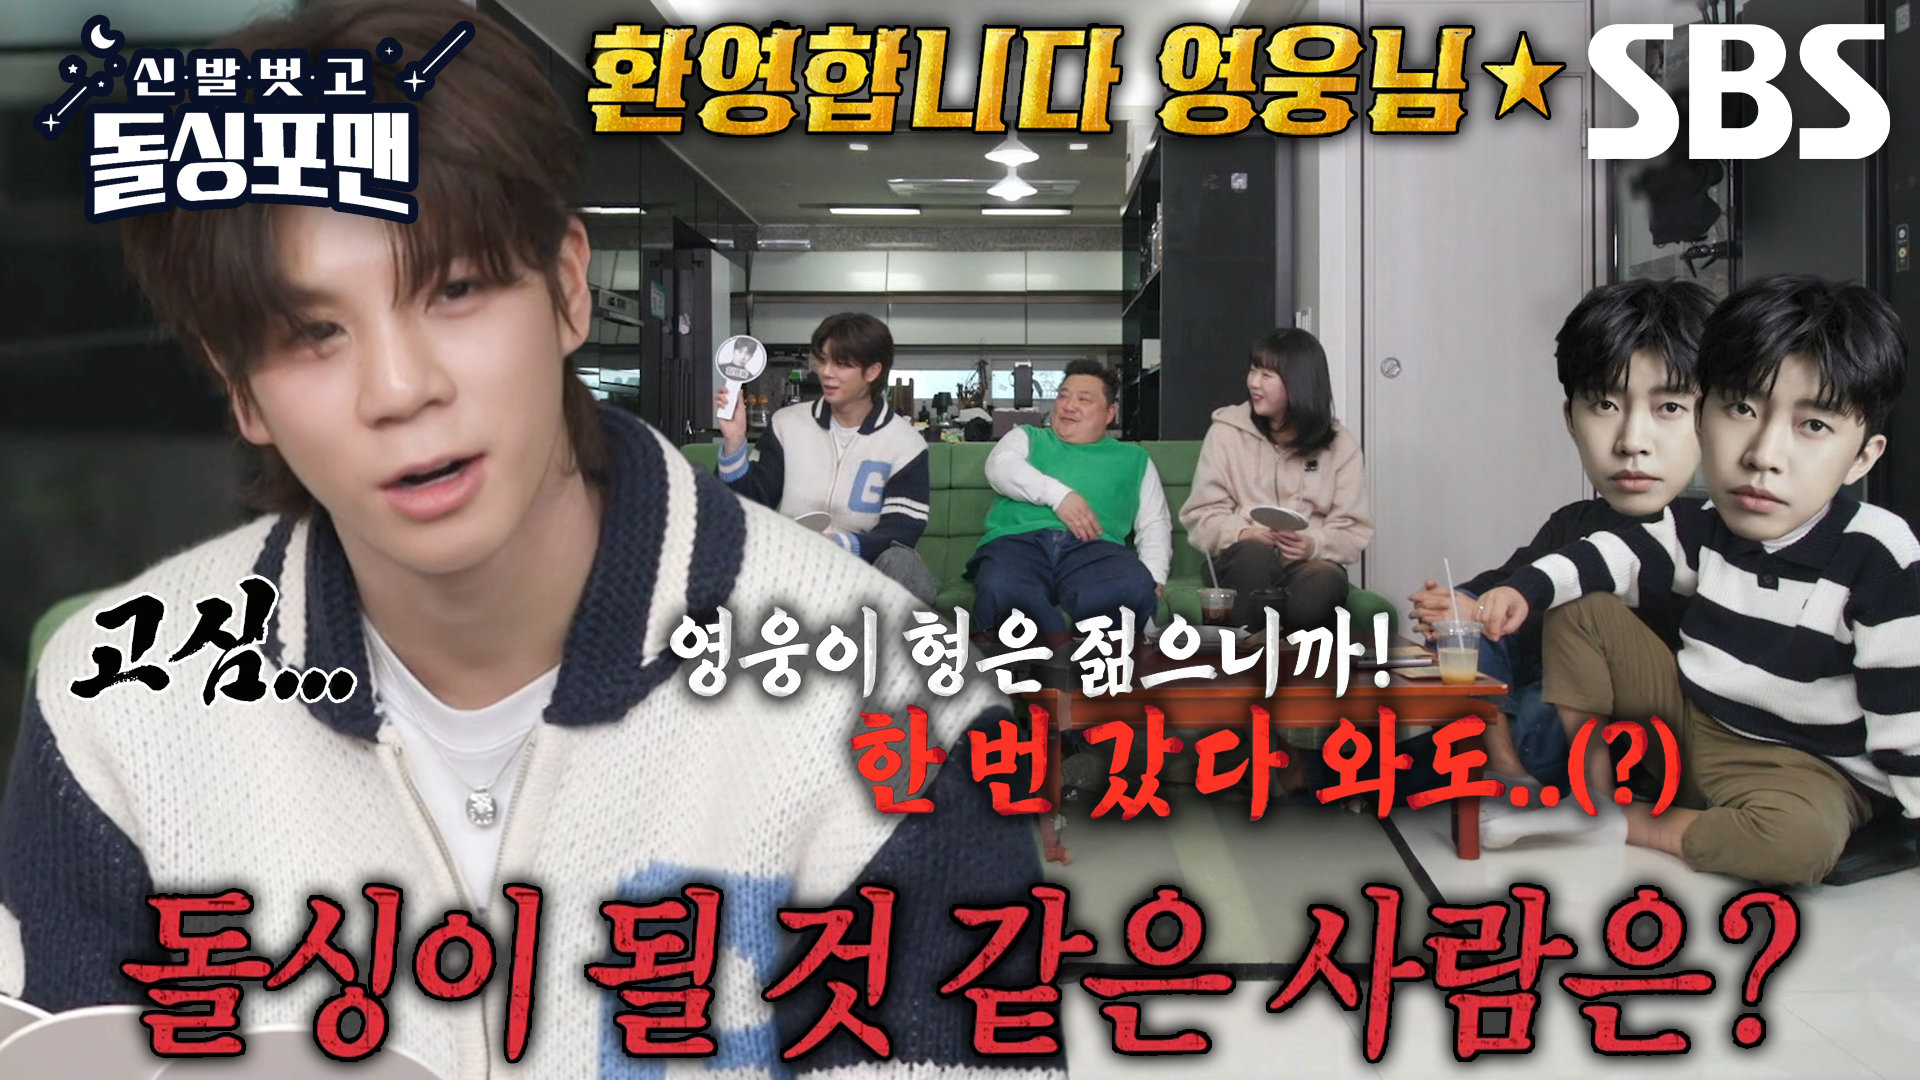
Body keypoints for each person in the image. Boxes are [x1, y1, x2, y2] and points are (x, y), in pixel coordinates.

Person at [0, 3, 1054, 1076]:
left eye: (455, 289)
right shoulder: (115, 708)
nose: (401, 388)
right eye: (312, 332)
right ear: (240, 390)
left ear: (566, 287)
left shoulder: (893, 701)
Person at [1477, 275, 1920, 885]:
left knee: (1796, 844)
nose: (1762, 454)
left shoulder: (1877, 551)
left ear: (1863, 457)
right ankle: (1590, 792)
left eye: (1813, 426)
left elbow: (1907, 709)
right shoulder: (1706, 522)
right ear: (1705, 416)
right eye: (1742, 410)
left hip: (1799, 769)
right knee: (1582, 609)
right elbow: (1613, 553)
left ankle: (1618, 823)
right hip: (1687, 727)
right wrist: (1525, 589)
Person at [1406, 279, 1715, 815]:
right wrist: (1460, 603)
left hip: (1628, 733)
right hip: (1534, 694)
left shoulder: (1710, 528)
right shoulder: (1575, 520)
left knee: (1531, 709)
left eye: (1668, 406)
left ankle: (1490, 758)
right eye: (1605, 405)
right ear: (1571, 419)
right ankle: (1498, 760)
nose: (1632, 441)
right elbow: (1511, 579)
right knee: (1467, 635)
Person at [716, 313, 938, 604]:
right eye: (822, 360)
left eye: (841, 364)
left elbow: (901, 531)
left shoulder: (906, 444)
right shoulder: (787, 424)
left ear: (873, 371)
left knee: (903, 564)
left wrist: (837, 544)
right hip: (791, 567)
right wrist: (734, 442)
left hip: (864, 571)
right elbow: (748, 506)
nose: (826, 372)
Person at [1181, 328, 1371, 631]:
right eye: (1253, 370)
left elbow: (1352, 529)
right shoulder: (1226, 432)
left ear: (1299, 383)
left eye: (1267, 375)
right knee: (1254, 557)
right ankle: (1253, 651)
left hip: (1308, 565)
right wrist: (1242, 532)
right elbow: (1201, 515)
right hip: (1241, 560)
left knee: (1324, 580)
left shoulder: (1340, 445)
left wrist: (1312, 545)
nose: (1254, 383)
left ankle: (1279, 650)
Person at [968, 360, 1170, 634]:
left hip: (1095, 551)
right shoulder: (1027, 436)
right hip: (1018, 546)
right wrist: (1059, 497)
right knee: (1001, 589)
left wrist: (1155, 574)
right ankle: (1044, 655)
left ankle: (1093, 657)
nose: (1069, 406)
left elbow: (1154, 521)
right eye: (1063, 396)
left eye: (1083, 399)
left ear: (1110, 413)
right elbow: (999, 467)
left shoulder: (1134, 458)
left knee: (1132, 587)